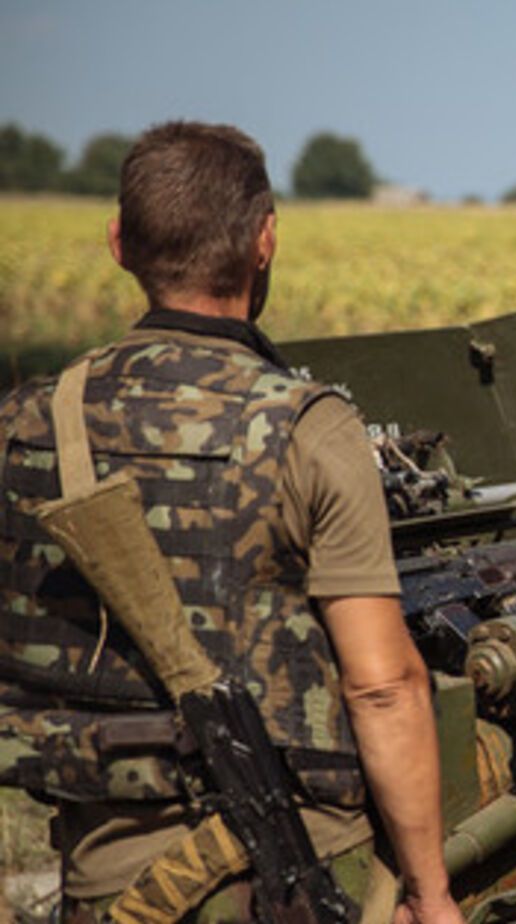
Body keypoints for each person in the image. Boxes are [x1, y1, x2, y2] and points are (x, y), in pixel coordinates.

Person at [0, 121, 460, 923]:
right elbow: (383, 686)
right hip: (291, 872)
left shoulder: (26, 418)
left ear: (118, 243)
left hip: (101, 878)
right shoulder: (306, 425)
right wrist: (429, 890)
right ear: (265, 241)